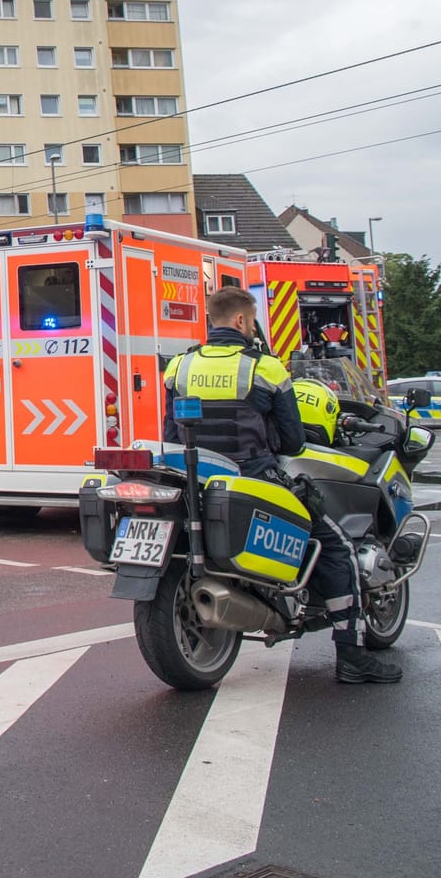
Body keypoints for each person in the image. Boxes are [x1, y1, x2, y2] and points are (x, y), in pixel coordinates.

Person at [163, 286, 400, 685]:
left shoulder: (179, 367)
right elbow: (292, 440)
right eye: (252, 320)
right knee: (335, 546)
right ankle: (352, 655)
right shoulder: (266, 367)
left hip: (196, 474)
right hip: (251, 475)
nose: (253, 326)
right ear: (241, 321)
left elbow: (170, 431)